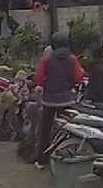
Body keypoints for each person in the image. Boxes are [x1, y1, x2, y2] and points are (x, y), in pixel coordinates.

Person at [32, 31, 84, 169]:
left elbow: (38, 78)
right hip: (67, 100)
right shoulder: (72, 59)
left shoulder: (46, 60)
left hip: (49, 100)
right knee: (68, 129)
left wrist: (47, 82)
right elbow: (78, 78)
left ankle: (41, 161)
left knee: (45, 130)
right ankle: (65, 158)